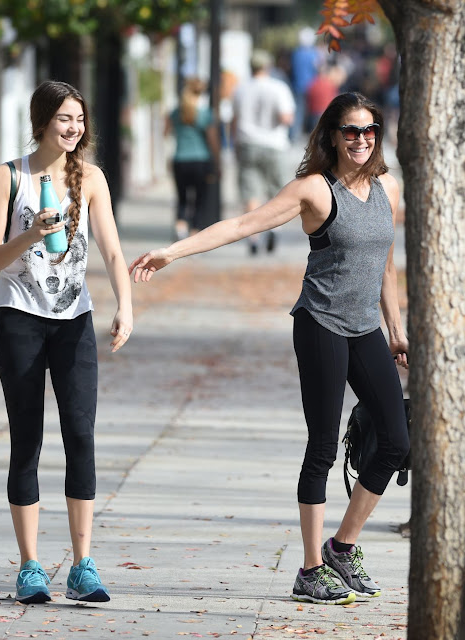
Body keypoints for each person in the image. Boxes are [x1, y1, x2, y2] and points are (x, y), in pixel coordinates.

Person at [129, 92, 410, 605]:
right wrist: (174, 250)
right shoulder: (313, 190)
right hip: (321, 323)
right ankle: (310, 569)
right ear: (331, 136)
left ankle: (342, 548)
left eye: (369, 130)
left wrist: (396, 330)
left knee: (396, 440)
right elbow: (242, 224)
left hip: (366, 326)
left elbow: (385, 266)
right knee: (323, 445)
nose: (361, 139)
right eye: (350, 131)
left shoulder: (387, 187)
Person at [0, 80, 133, 605]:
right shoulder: (9, 177)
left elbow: (112, 251)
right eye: (65, 119)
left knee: (81, 435)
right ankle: (30, 566)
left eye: (80, 120)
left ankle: (83, 565)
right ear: (43, 120)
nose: (74, 129)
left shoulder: (89, 179)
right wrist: (29, 234)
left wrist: (125, 305)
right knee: (27, 440)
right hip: (19, 316)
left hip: (74, 319)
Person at [231, 49, 295, 255]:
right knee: (276, 190)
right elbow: (286, 118)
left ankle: (253, 237)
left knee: (251, 191)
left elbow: (234, 120)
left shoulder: (241, 89)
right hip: (274, 144)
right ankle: (274, 229)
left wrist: (234, 144)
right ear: (268, 67)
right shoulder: (278, 88)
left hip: (248, 143)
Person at [165, 77, 220, 240]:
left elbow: (166, 132)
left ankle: (180, 227)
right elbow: (213, 140)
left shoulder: (176, 112)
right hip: (200, 160)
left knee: (182, 198)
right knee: (199, 200)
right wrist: (217, 161)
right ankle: (194, 234)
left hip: (180, 159)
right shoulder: (205, 114)